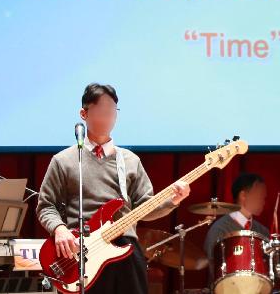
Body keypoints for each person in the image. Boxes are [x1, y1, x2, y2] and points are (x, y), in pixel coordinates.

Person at [37, 83, 191, 294]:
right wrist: (60, 229)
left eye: (112, 111)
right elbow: (46, 205)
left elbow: (146, 207)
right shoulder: (64, 160)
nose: (108, 116)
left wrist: (173, 200)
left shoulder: (129, 160)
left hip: (126, 248)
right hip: (82, 253)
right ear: (84, 113)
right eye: (101, 110)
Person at [203, 173, 269, 285]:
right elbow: (210, 268)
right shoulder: (220, 229)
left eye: (264, 197)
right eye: (259, 195)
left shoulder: (263, 231)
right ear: (243, 195)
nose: (263, 200)